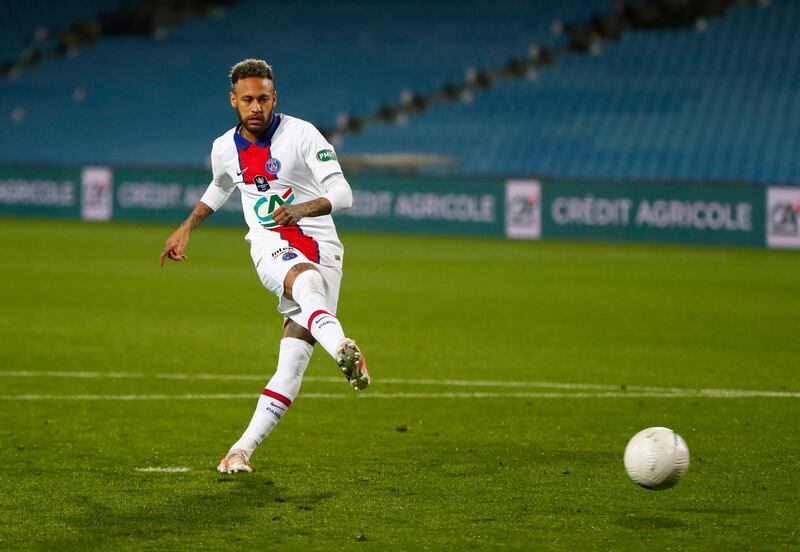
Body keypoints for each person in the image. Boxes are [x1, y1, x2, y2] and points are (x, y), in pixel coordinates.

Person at [159, 58, 370, 474]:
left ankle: (240, 451)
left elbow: (343, 194)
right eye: (247, 100)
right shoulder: (224, 147)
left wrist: (303, 208)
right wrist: (187, 227)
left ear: (274, 98)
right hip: (270, 242)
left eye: (263, 99)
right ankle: (343, 348)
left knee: (291, 364)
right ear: (233, 101)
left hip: (324, 246)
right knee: (303, 281)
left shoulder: (302, 134)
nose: (255, 107)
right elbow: (220, 187)